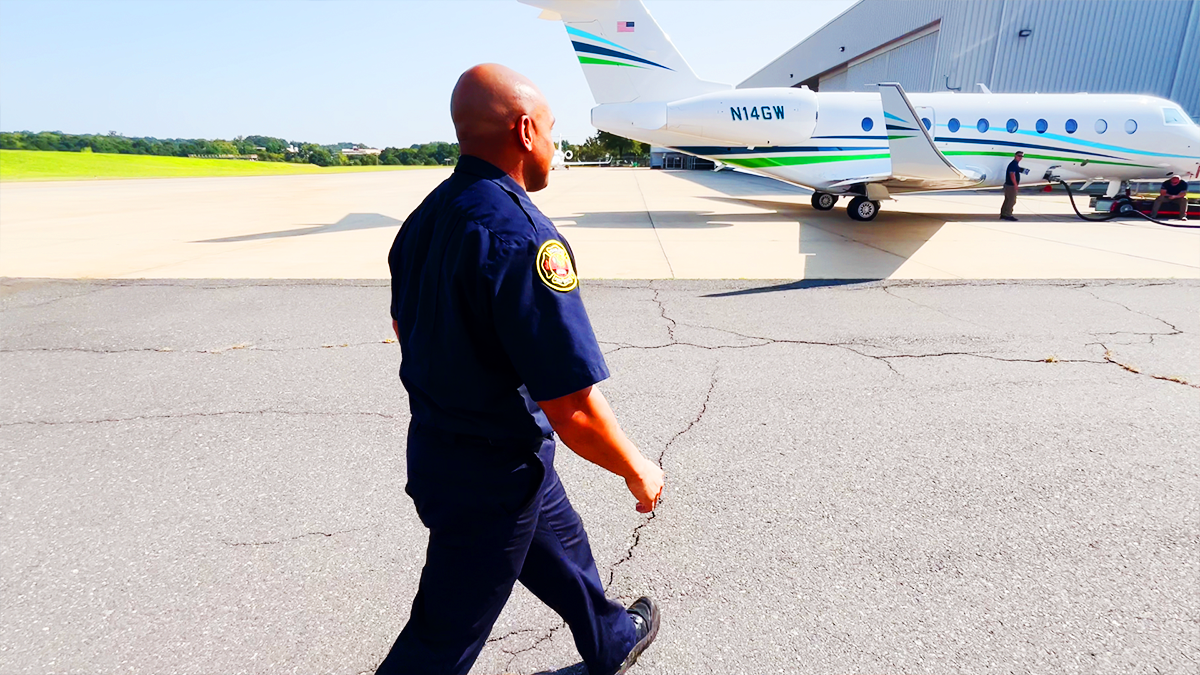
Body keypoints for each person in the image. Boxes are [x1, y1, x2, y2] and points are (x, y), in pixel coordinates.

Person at [377, 63, 665, 675]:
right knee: (440, 638)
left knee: (562, 546)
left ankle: (610, 638)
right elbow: (573, 408)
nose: (557, 152)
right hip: (487, 475)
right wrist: (636, 468)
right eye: (555, 134)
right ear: (527, 130)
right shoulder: (523, 237)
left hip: (446, 448)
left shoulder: (423, 220)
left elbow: (405, 329)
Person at [1000, 151, 1024, 221]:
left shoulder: (1015, 164)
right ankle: (1008, 214)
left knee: (1007, 200)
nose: (1020, 157)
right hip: (1011, 186)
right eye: (1019, 156)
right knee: (1012, 201)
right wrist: (1015, 184)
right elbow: (1012, 175)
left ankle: (1003, 214)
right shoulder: (1013, 164)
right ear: (1015, 156)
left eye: (1021, 156)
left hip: (1008, 185)